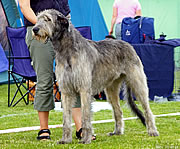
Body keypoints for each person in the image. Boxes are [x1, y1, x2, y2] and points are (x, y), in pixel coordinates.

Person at [19, 0, 95, 141]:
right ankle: (44, 129)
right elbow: (24, 6)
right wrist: (44, 25)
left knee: (75, 80)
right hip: (39, 29)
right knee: (44, 79)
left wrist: (63, 22)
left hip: (64, 30)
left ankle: (81, 128)